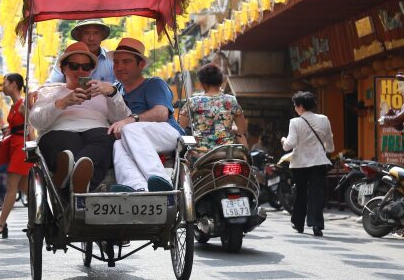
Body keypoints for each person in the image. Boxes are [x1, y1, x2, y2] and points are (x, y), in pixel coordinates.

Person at [29, 42, 130, 195]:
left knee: (105, 139)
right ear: (64, 68)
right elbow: (36, 122)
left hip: (97, 130)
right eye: (74, 66)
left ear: (91, 69)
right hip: (59, 130)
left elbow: (122, 119)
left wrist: (112, 93)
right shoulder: (49, 91)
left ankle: (69, 178)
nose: (80, 71)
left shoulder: (103, 89)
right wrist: (62, 103)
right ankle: (77, 177)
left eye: (86, 67)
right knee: (65, 145)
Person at [107, 38, 185, 192]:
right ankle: (137, 187)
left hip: (168, 132)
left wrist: (130, 120)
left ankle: (161, 181)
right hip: (135, 138)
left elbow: (162, 113)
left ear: (141, 64)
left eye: (126, 61)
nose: (119, 67)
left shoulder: (154, 83)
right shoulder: (115, 90)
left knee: (129, 129)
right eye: (116, 62)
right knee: (118, 144)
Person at [0, 73, 36, 239]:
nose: (3, 86)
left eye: (4, 83)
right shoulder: (14, 105)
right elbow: (16, 127)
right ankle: (45, 216)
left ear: (14, 84)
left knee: (11, 187)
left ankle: (0, 225)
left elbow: (31, 128)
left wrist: (33, 150)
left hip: (21, 149)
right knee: (27, 190)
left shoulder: (22, 105)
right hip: (14, 147)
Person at [281, 91, 334, 237]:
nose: (295, 108)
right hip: (319, 162)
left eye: (295, 105)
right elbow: (330, 145)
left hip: (300, 164)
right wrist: (326, 149)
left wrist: (283, 140)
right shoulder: (324, 119)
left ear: (301, 106)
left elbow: (289, 145)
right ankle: (316, 225)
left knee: (301, 193)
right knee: (317, 194)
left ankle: (298, 223)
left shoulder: (295, 122)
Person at [179, 63, 248, 153]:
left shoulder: (193, 102)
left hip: (200, 154)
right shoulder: (231, 100)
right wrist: (232, 129)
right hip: (226, 153)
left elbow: (180, 128)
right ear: (220, 82)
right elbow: (242, 129)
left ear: (203, 83)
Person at [46, 19, 115, 83]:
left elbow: (120, 87)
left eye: (96, 33)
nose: (91, 38)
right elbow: (52, 84)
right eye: (86, 33)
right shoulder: (68, 58)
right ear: (79, 36)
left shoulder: (111, 60)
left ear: (102, 36)